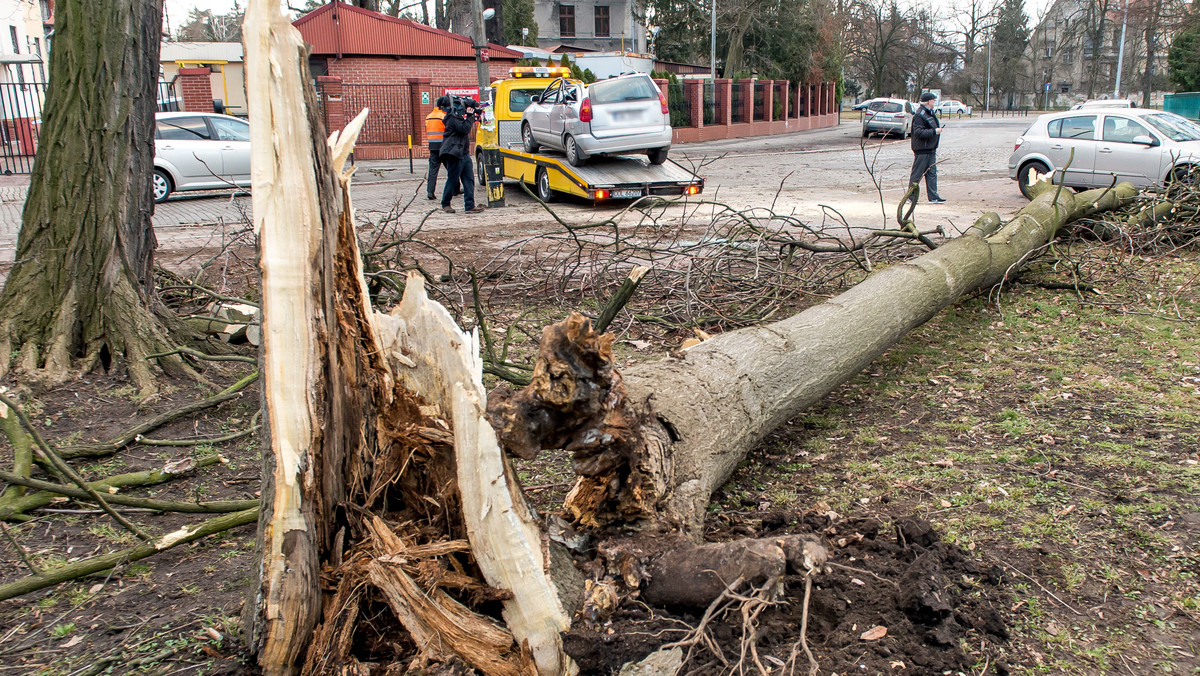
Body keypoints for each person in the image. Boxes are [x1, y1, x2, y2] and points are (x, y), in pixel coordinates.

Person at [440, 97, 485, 214]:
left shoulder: (457, 118)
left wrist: (473, 113)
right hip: (453, 152)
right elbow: (464, 129)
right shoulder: (451, 119)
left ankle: (470, 205)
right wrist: (470, 116)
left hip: (462, 153)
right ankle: (446, 203)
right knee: (453, 179)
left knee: (469, 179)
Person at [909, 92, 946, 205]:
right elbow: (918, 132)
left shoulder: (928, 113)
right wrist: (935, 131)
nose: (934, 102)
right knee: (917, 174)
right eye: (933, 100)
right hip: (922, 149)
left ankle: (933, 197)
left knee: (932, 173)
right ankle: (911, 196)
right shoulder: (920, 115)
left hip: (930, 148)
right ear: (928, 101)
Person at [424, 96, 449, 200]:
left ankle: (430, 192)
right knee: (452, 169)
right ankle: (456, 188)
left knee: (433, 171)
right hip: (444, 146)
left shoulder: (428, 117)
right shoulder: (444, 116)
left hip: (432, 146)